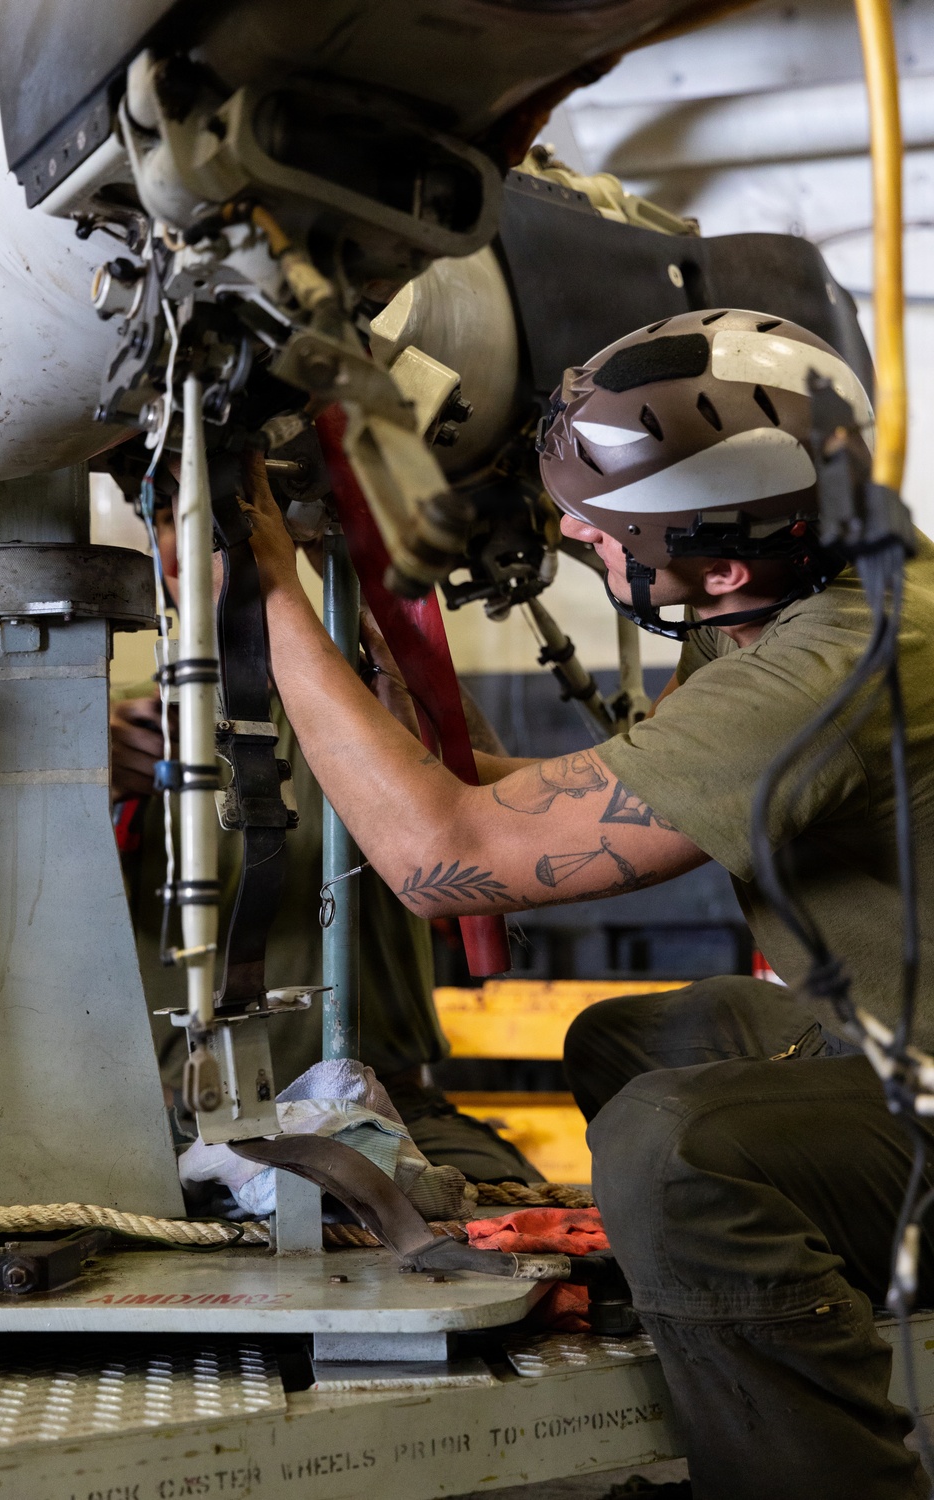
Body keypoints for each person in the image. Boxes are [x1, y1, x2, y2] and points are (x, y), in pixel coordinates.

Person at [242, 307, 934, 1500]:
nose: (568, 531)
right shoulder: (786, 592)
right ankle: (742, 1316)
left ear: (718, 563)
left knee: (670, 1145)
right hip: (879, 1031)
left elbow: (439, 859)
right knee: (636, 1039)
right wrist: (394, 719)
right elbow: (591, 795)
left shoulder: (841, 660)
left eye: (599, 527)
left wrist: (261, 595)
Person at [110, 498, 540, 1186]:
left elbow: (483, 809)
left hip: (384, 1110)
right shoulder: (118, 734)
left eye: (220, 511)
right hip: (166, 1123)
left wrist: (371, 595)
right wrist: (83, 776)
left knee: (494, 1228)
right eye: (165, 515)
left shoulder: (365, 711)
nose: (185, 533)